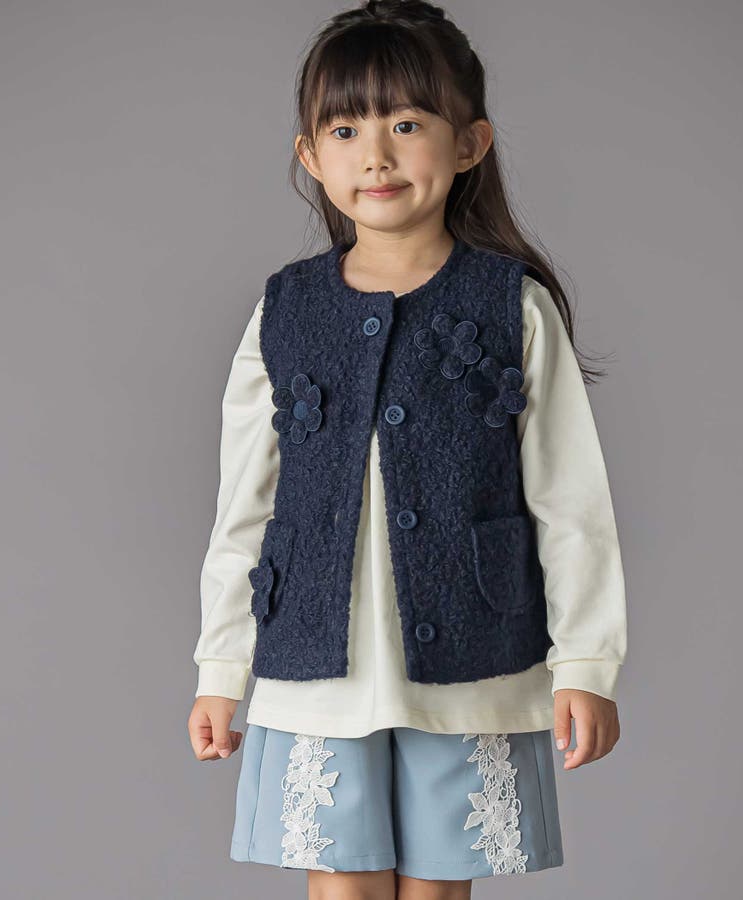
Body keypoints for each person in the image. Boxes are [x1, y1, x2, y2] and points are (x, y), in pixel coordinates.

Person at [187, 1, 628, 897]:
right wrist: (220, 665)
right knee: (339, 884)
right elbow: (246, 505)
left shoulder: (513, 305)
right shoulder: (285, 311)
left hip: (473, 654)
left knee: (439, 886)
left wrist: (586, 663)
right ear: (311, 155)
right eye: (345, 130)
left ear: (469, 144)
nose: (376, 156)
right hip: (316, 660)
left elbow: (570, 498)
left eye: (407, 124)